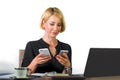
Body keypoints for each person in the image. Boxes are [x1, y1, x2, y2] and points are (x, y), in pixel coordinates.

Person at [22, 7, 72, 75]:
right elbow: (23, 75)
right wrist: (35, 62)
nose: (55, 28)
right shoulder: (32, 46)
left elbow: (67, 76)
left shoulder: (66, 47)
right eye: (52, 24)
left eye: (59, 25)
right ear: (43, 23)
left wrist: (67, 66)